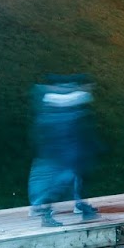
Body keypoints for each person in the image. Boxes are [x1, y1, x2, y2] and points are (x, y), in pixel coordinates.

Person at [28, 78, 100, 227]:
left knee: (74, 176)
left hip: (68, 150)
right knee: (59, 180)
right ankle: (45, 211)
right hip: (62, 153)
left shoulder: (70, 110)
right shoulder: (63, 109)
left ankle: (79, 205)